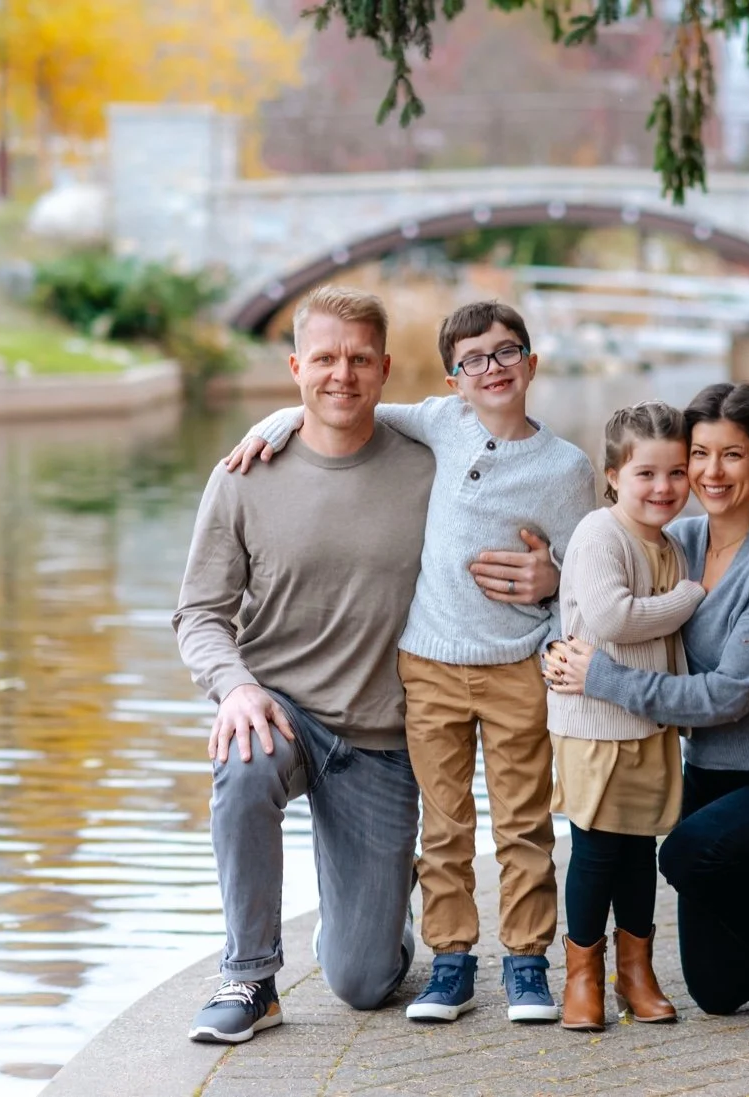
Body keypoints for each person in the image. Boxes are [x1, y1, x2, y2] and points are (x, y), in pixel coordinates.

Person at [225, 300, 596, 1024]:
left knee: (522, 821)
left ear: (532, 362)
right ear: (453, 379)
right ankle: (451, 960)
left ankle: (526, 961)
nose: (491, 368)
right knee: (445, 821)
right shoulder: (440, 423)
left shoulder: (567, 468)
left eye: (506, 352)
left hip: (517, 663)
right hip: (426, 665)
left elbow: (586, 574)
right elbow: (352, 407)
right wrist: (272, 422)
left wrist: (553, 592)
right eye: (472, 359)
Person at [546, 382, 749, 1027]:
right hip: (713, 779)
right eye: (701, 455)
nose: (711, 473)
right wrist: (550, 597)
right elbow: (606, 590)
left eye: (733, 455)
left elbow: (731, 694)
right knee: (717, 993)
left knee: (685, 853)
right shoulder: (677, 540)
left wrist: (602, 679)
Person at [173, 286, 438, 1043]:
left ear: (386, 369)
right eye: (324, 358)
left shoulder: (431, 469)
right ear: (295, 366)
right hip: (282, 710)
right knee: (242, 753)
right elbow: (199, 613)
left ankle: (377, 922)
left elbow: (514, 478)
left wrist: (550, 574)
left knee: (363, 983)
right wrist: (236, 687)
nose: (341, 376)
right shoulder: (245, 472)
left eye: (360, 359)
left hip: (383, 742)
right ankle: (250, 975)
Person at [547, 401, 702, 1032]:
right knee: (596, 850)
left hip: (648, 722)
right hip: (594, 723)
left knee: (640, 852)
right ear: (613, 475)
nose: (662, 488)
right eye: (645, 474)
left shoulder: (667, 543)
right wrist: (691, 598)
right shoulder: (599, 534)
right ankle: (581, 977)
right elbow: (611, 620)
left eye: (674, 474)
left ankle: (636, 974)